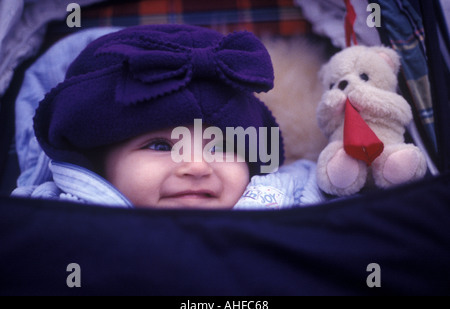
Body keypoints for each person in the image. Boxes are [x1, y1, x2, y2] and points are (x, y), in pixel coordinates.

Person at [12, 24, 324, 209]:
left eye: (220, 146)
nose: (198, 166)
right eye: (161, 146)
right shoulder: (55, 210)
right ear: (96, 162)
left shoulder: (286, 191)